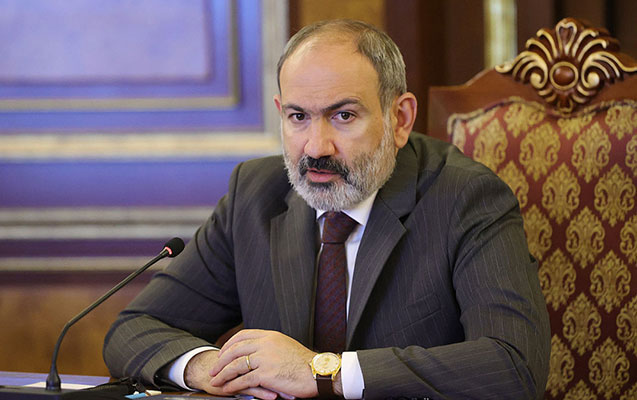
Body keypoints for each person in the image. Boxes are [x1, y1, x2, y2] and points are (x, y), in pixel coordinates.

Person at [104, 19, 550, 399]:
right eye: (298, 117)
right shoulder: (255, 194)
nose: (316, 147)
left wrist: (325, 372)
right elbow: (135, 327)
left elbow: (514, 364)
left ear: (400, 119)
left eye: (343, 116)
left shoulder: (466, 198)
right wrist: (209, 367)